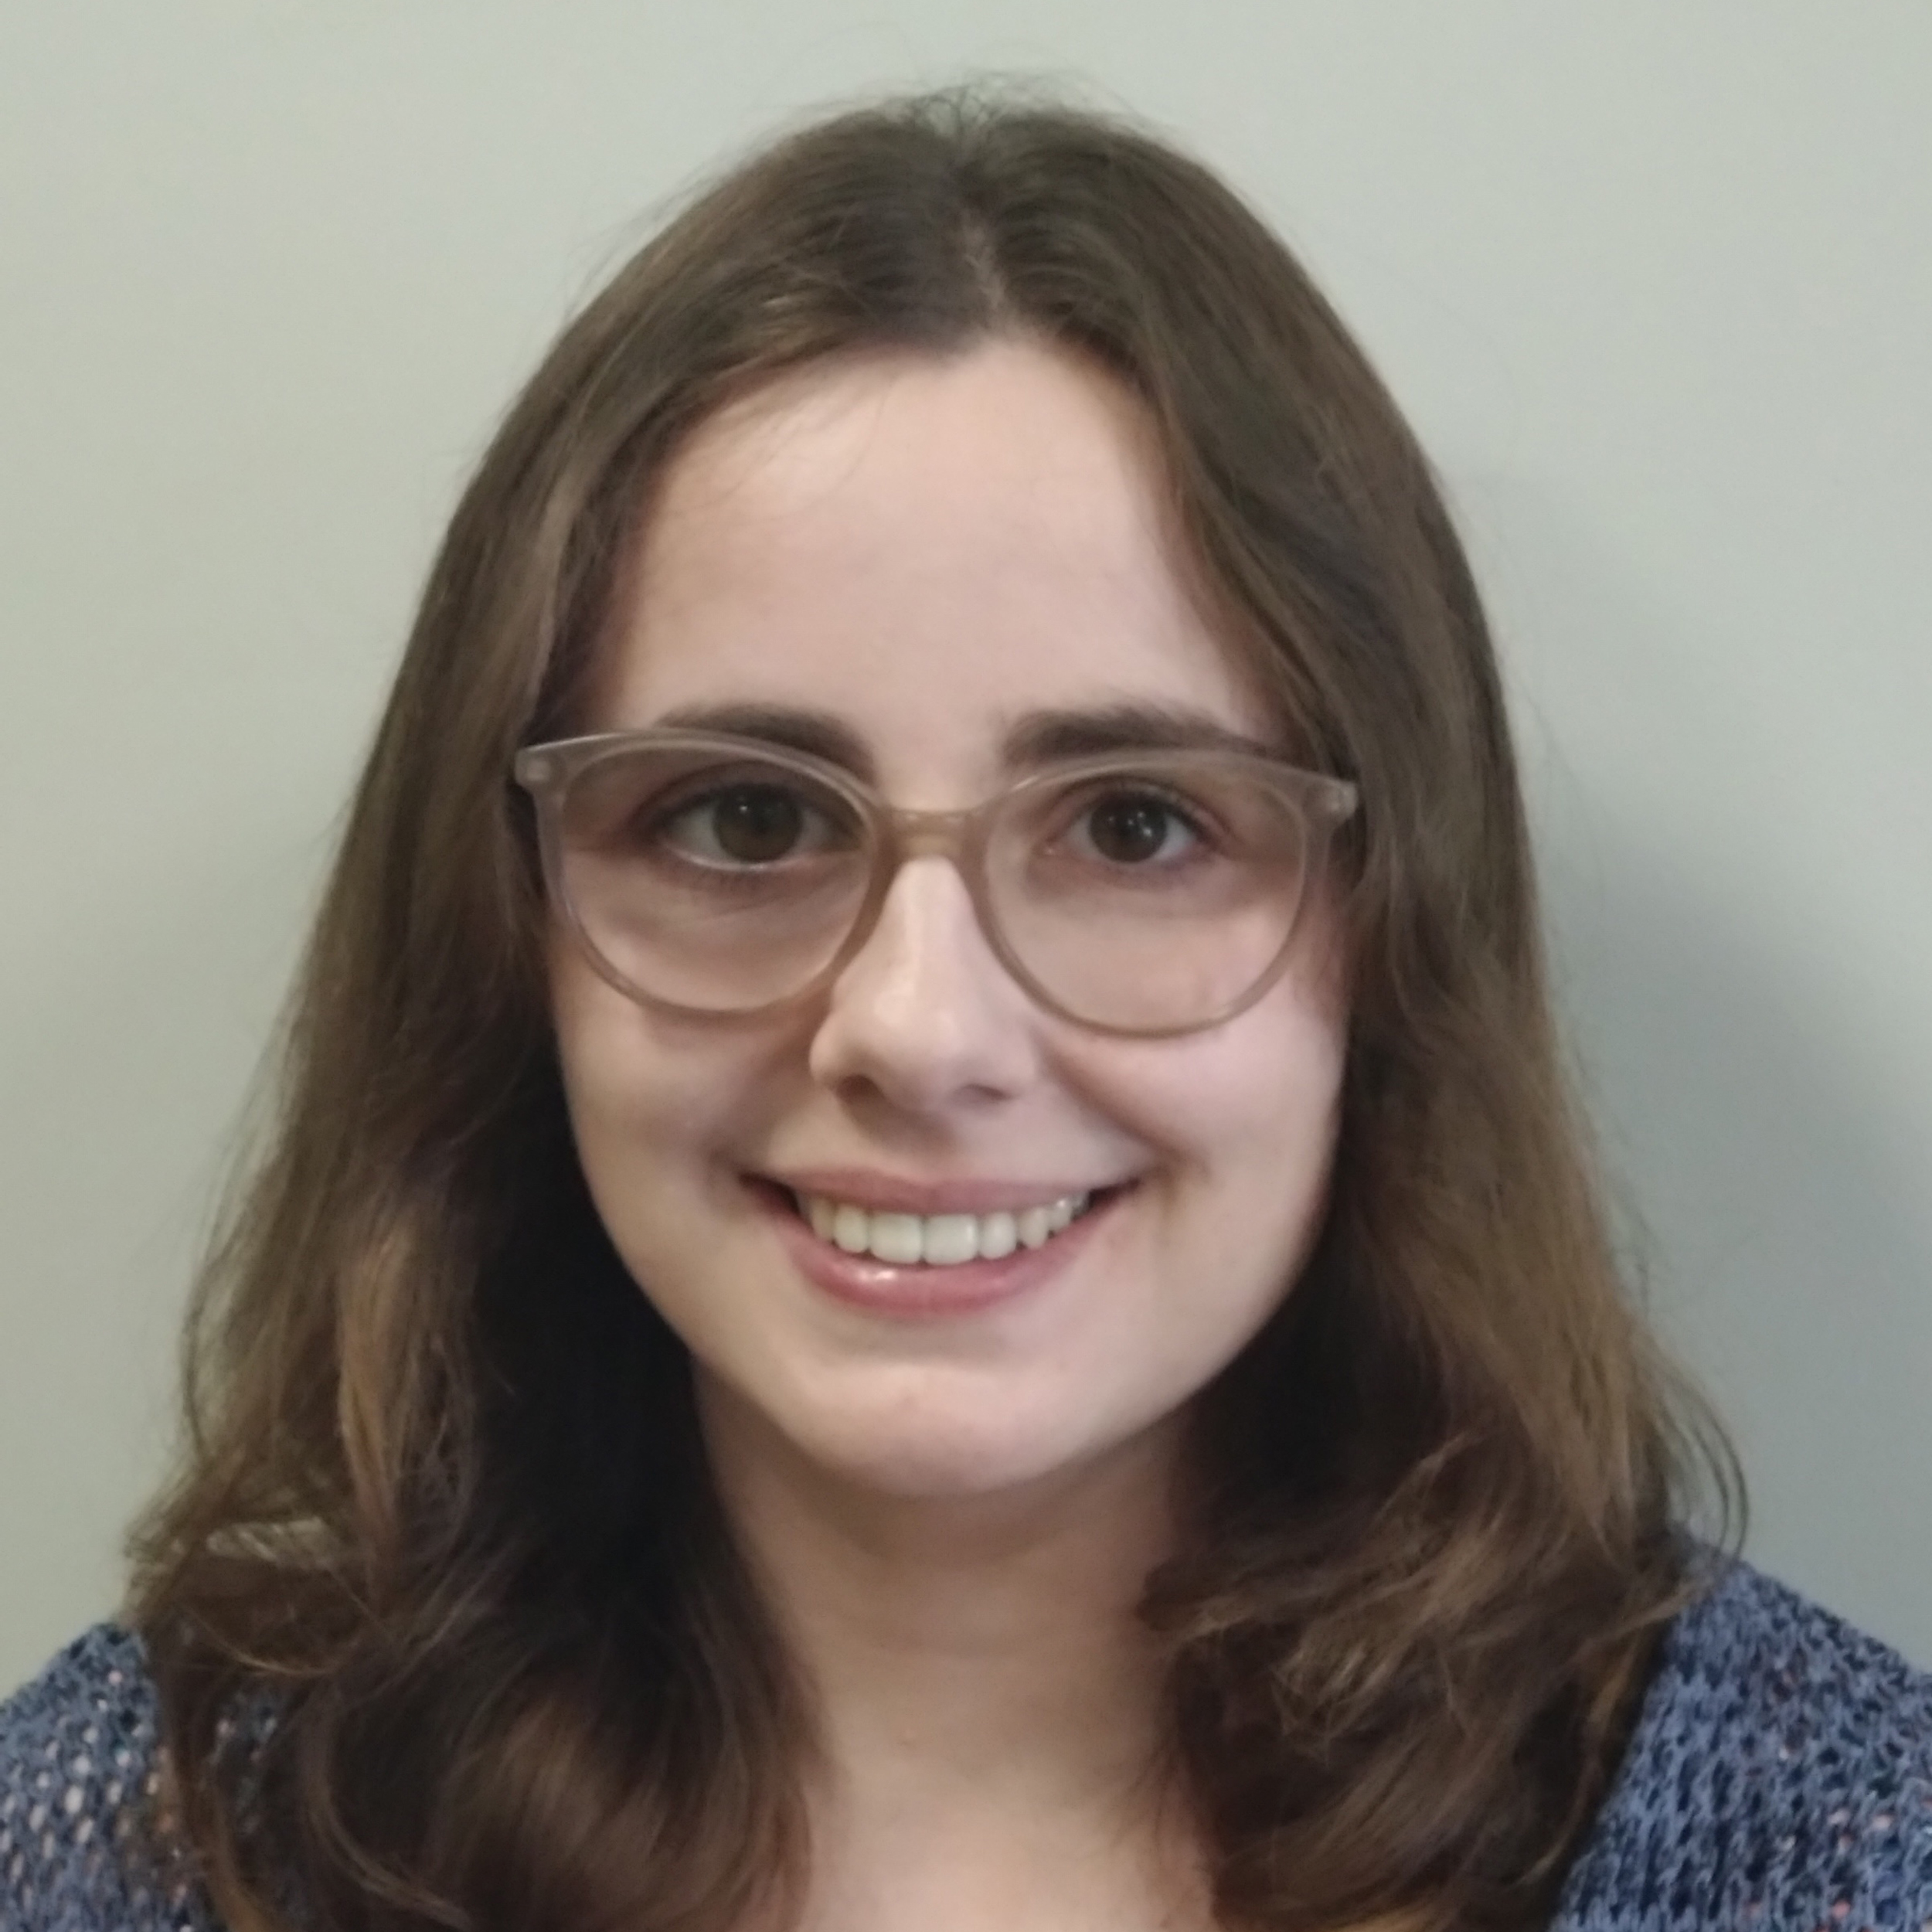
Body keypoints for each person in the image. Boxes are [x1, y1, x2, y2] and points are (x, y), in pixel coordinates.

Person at [2, 87, 1927, 1932]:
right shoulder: (131, 1848)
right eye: (743, 818)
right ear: (505, 917)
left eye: (1135, 823)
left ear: (1389, 935)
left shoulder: (1848, 1847)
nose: (919, 1031)